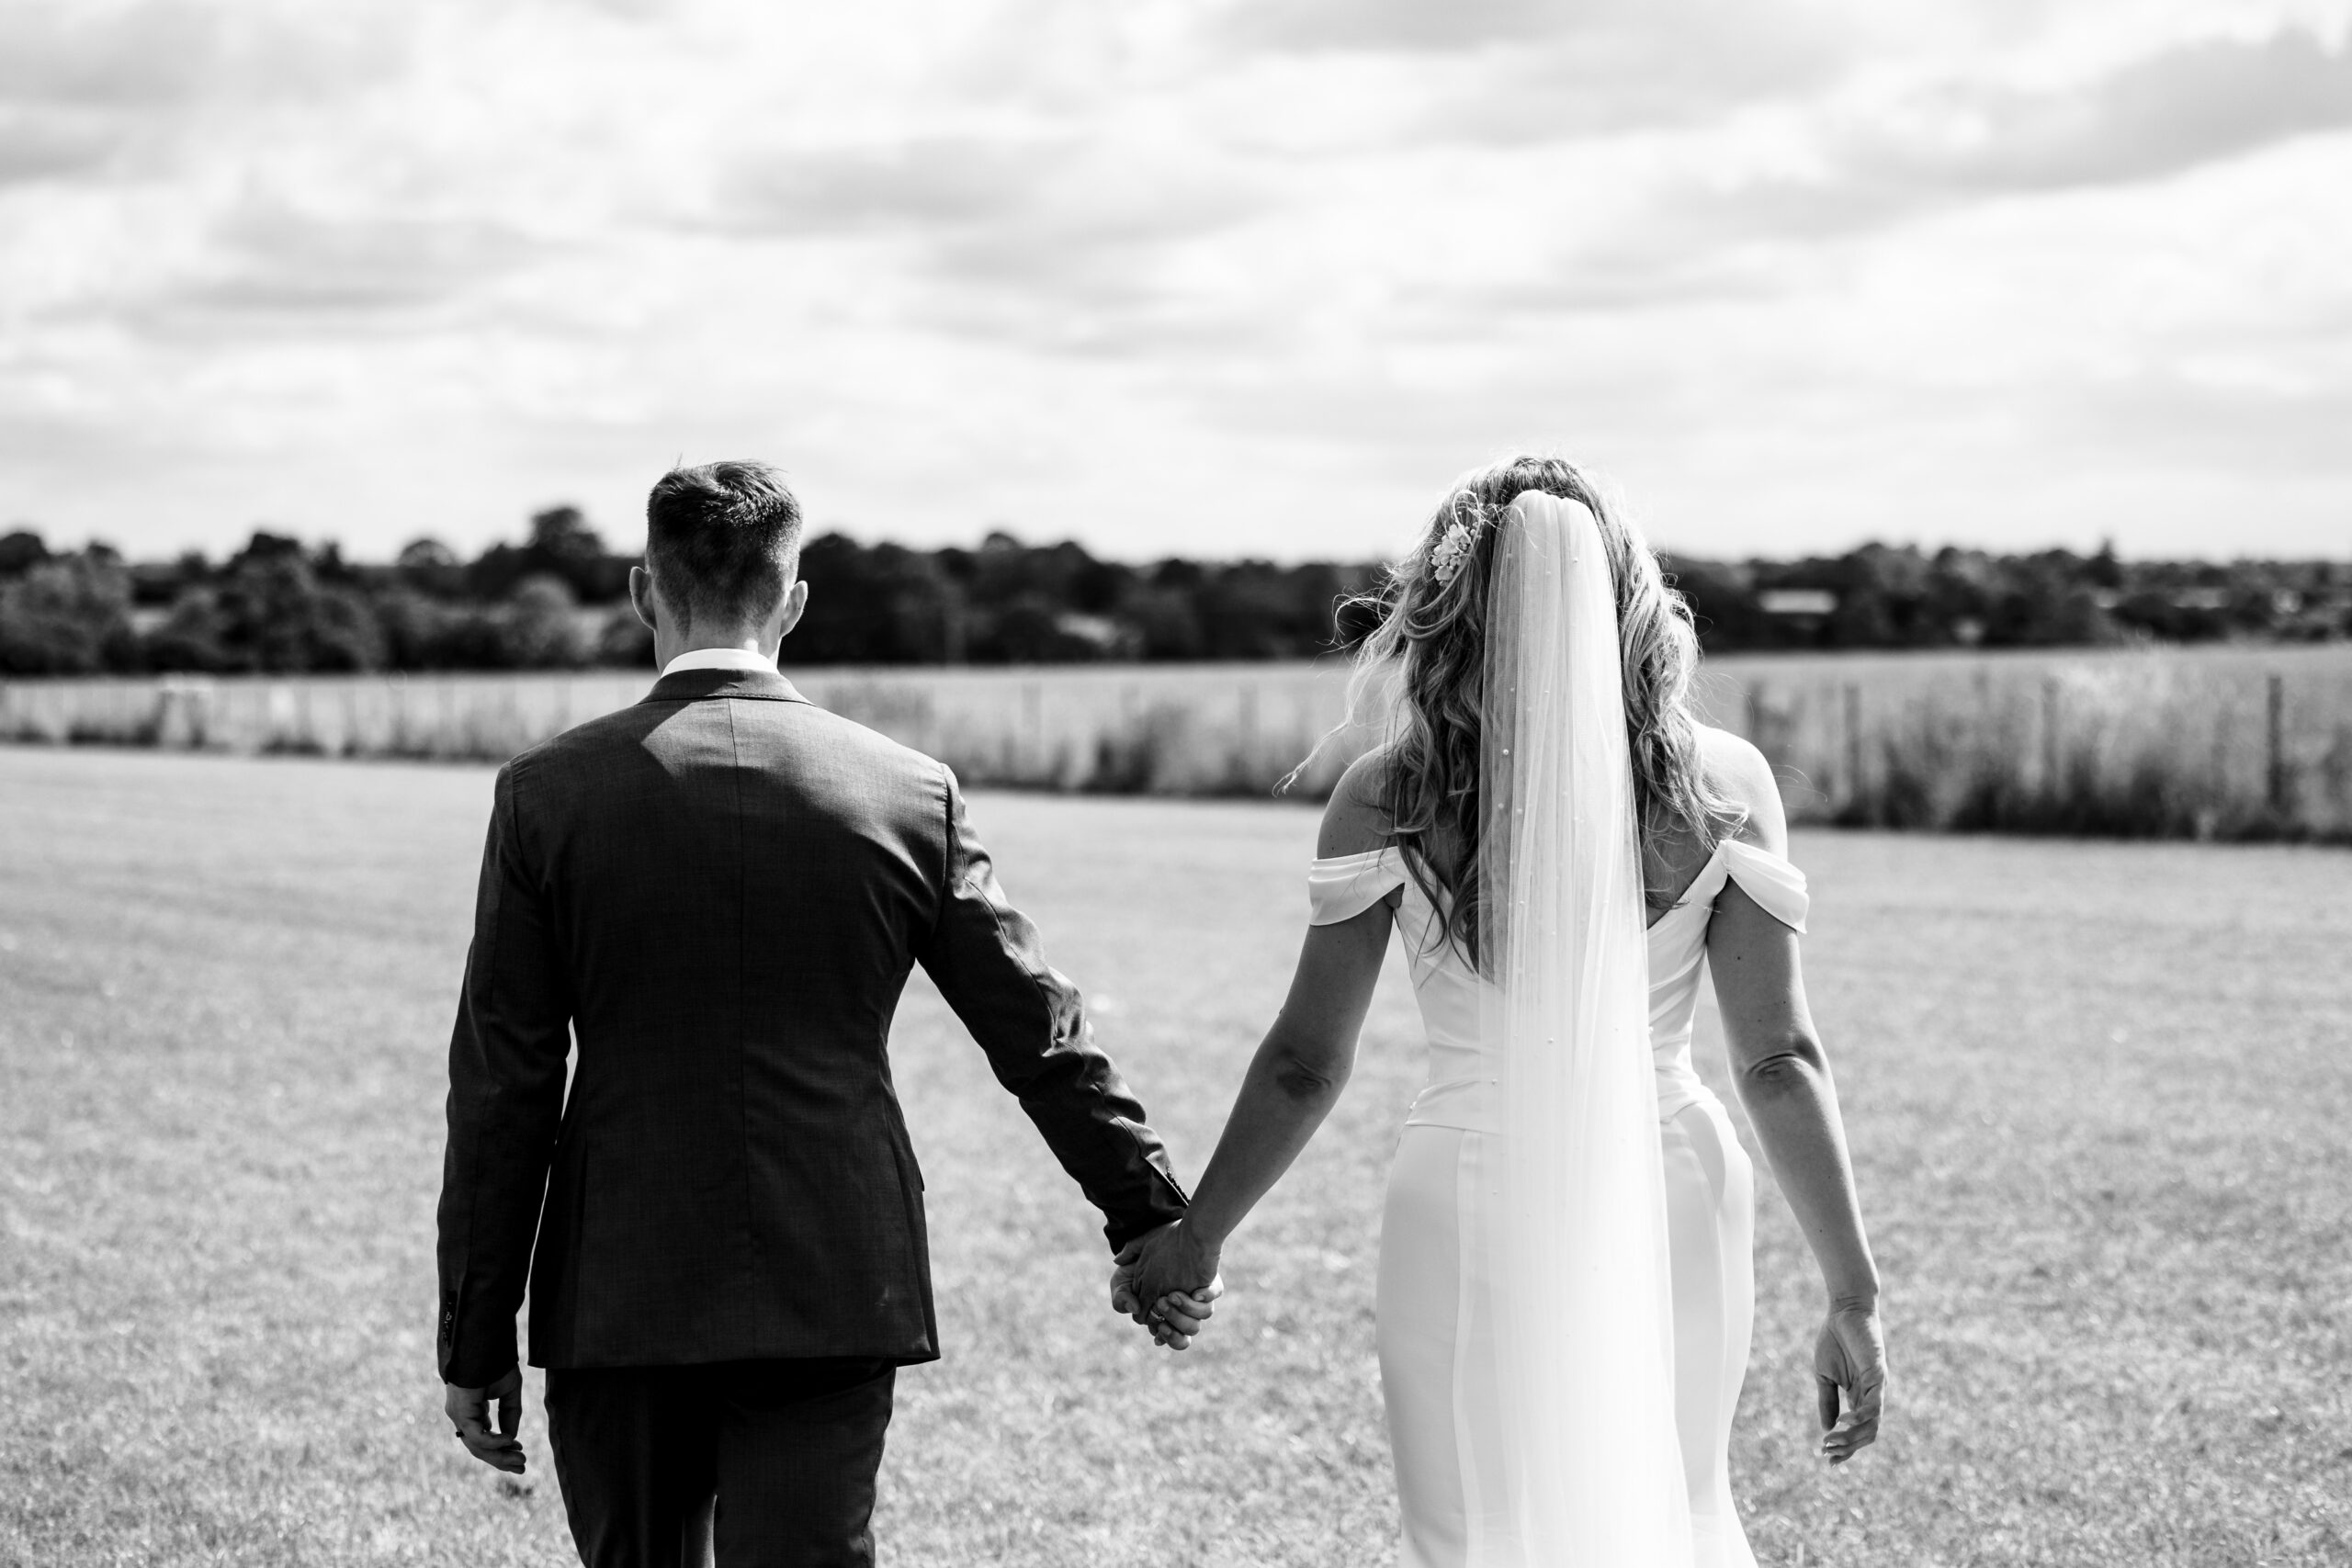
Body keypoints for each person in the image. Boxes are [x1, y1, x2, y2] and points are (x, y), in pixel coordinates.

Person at [1118, 457, 1886, 1566]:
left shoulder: (1387, 794)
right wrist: (1853, 1293)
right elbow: (1777, 1059)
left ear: (1444, 613)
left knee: (1475, 1533)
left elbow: (1304, 1061)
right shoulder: (1723, 785)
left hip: (1461, 1190)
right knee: (1670, 1509)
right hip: (1668, 1176)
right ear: (1625, 602)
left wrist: (1197, 1237)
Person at [434, 459, 1190, 1568]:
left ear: (645, 592)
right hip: (837, 1267)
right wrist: (1150, 1215)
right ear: (792, 601)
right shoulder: (905, 790)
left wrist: (475, 1327)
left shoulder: (546, 794)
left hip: (620, 1279)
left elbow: (504, 1084)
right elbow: (1038, 1033)